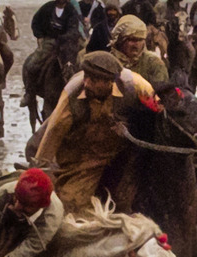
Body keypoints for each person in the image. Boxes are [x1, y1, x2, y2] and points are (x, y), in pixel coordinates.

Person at [34, 51, 158, 213]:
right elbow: (52, 137)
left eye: (93, 80)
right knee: (71, 203)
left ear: (109, 82)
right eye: (86, 77)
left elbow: (160, 111)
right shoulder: (72, 97)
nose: (86, 83)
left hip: (128, 149)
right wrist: (39, 174)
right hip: (84, 156)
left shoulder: (136, 86)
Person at [20, 0, 81, 108]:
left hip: (67, 42)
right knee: (32, 64)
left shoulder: (71, 10)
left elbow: (74, 28)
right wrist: (40, 36)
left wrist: (66, 37)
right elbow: (36, 22)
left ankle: (81, 92)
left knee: (81, 62)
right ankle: (29, 93)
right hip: (50, 41)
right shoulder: (47, 8)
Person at [110, 14, 168, 84]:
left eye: (140, 40)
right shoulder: (109, 62)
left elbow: (161, 91)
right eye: (132, 40)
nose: (136, 44)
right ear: (120, 41)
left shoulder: (153, 64)